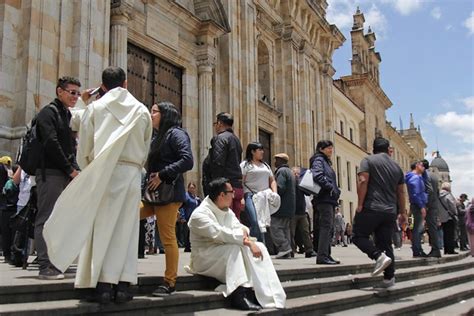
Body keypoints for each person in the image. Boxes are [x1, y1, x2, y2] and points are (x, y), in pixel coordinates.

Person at [43, 67, 153, 303]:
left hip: (105, 171)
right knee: (127, 229)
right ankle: (123, 286)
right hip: (132, 173)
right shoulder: (142, 110)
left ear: (103, 86)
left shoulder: (97, 108)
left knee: (102, 227)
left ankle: (102, 286)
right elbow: (145, 148)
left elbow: (84, 147)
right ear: (125, 83)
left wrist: (89, 166)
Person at [185, 178, 286, 310]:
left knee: (260, 246)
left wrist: (246, 239)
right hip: (204, 257)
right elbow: (220, 233)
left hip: (222, 250)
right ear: (221, 195)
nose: (234, 195)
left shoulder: (226, 210)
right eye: (231, 192)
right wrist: (247, 242)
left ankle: (265, 291)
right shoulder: (200, 214)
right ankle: (239, 295)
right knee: (235, 249)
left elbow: (240, 227)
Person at [141, 102, 194, 297]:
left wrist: (162, 174)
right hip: (153, 196)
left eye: (154, 111)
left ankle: (170, 281)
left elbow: (188, 160)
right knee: (128, 216)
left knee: (168, 238)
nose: (151, 114)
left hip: (168, 195)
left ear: (166, 115)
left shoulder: (176, 133)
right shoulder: (158, 136)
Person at [34, 76, 81, 280]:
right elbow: (51, 144)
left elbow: (70, 148)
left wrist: (75, 169)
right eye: (72, 92)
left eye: (78, 94)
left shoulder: (65, 115)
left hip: (63, 173)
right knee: (45, 218)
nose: (76, 97)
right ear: (59, 91)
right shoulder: (48, 113)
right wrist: (70, 170)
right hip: (51, 172)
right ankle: (45, 264)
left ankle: (56, 260)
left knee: (60, 218)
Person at [352, 137, 406, 288]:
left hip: (372, 206)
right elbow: (401, 192)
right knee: (385, 243)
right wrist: (402, 212)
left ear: (373, 147)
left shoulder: (368, 161)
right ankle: (389, 278)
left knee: (358, 236)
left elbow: (363, 181)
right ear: (388, 148)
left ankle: (378, 256)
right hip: (390, 211)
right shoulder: (397, 166)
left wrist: (360, 204)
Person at [203, 113, 243, 219]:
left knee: (223, 221)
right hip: (236, 186)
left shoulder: (220, 138)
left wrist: (214, 187)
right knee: (234, 222)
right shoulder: (236, 140)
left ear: (219, 123)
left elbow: (217, 164)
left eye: (215, 123)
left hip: (224, 189)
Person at [310, 140, 341, 265]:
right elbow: (317, 175)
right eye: (328, 148)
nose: (331, 150)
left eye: (331, 148)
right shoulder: (319, 160)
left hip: (328, 199)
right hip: (324, 198)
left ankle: (326, 254)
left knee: (329, 228)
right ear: (321, 149)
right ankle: (322, 256)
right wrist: (331, 187)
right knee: (325, 227)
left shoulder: (325, 161)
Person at [241, 142, 277, 242]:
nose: (262, 152)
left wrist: (275, 193)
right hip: (250, 195)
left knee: (262, 223)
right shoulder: (245, 165)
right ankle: (250, 243)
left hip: (264, 197)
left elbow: (272, 180)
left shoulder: (266, 166)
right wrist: (241, 198)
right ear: (252, 151)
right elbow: (241, 182)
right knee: (255, 221)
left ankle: (260, 248)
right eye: (259, 150)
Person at [270, 153, 295, 259]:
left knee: (275, 227)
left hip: (281, 206)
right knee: (285, 229)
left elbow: (280, 187)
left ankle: (284, 247)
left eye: (276, 160)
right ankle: (287, 252)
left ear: (281, 161)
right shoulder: (290, 172)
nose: (275, 162)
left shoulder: (281, 171)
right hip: (290, 207)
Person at [291, 167, 316, 258]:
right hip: (293, 211)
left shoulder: (301, 183)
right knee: (292, 232)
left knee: (305, 231)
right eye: (295, 173)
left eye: (298, 174)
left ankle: (309, 250)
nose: (297, 175)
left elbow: (308, 193)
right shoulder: (291, 183)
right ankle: (291, 250)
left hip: (302, 211)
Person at [405, 161, 428, 257]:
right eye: (422, 165)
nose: (424, 168)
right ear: (417, 166)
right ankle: (417, 250)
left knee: (417, 228)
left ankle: (417, 249)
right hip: (418, 205)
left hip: (417, 204)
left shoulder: (417, 177)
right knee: (417, 229)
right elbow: (415, 193)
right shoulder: (415, 178)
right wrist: (422, 206)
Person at [421, 160, 442, 258]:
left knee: (430, 227)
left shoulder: (425, 175)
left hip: (429, 205)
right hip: (434, 204)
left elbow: (429, 190)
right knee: (432, 227)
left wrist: (426, 205)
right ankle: (435, 248)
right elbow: (437, 192)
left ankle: (435, 250)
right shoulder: (434, 176)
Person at [179, 182, 201, 252]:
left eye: (193, 188)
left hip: (195, 217)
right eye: (190, 188)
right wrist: (182, 216)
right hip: (188, 216)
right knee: (187, 232)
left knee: (193, 232)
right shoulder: (186, 196)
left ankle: (192, 245)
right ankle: (187, 246)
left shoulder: (196, 197)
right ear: (188, 188)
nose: (192, 189)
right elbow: (182, 206)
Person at [438, 182, 458, 255]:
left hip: (442, 217)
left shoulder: (439, 196)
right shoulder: (448, 195)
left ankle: (446, 250)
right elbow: (452, 205)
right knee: (450, 234)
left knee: (445, 234)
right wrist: (455, 212)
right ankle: (450, 250)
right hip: (449, 216)